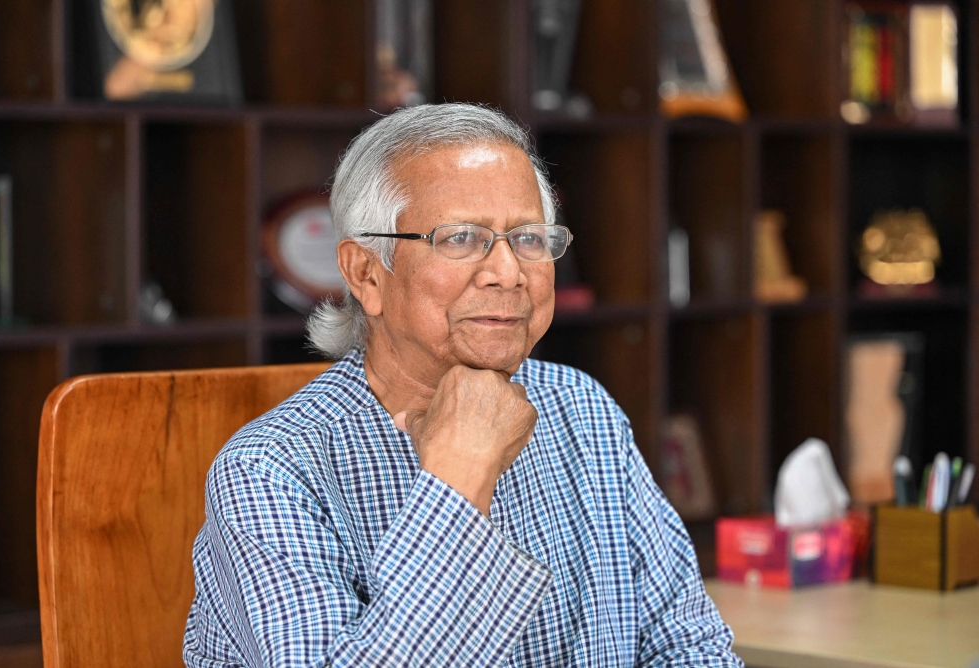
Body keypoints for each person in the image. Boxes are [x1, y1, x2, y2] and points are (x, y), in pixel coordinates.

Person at [184, 103, 741, 667]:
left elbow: (690, 646)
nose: (508, 272)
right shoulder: (271, 470)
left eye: (528, 238)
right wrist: (459, 477)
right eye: (459, 238)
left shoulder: (580, 407)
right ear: (365, 274)